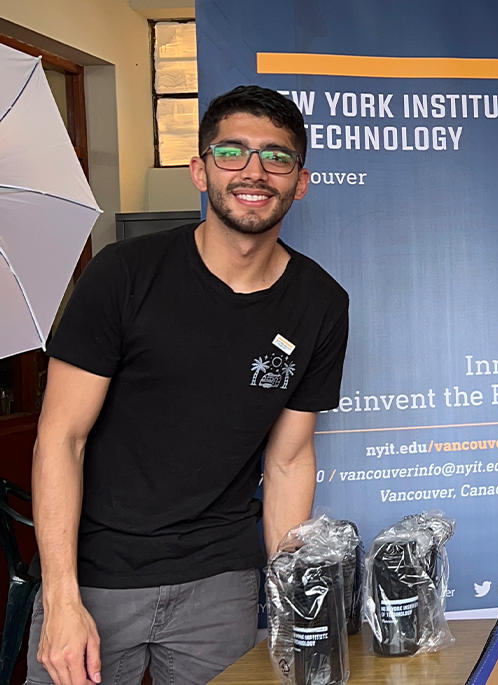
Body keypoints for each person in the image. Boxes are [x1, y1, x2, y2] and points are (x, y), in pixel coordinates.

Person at [27, 85, 350, 685]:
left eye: (277, 157)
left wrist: (289, 600)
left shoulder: (321, 303)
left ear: (300, 181)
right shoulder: (124, 274)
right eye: (232, 152)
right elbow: (60, 439)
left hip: (220, 582)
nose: (254, 172)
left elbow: (289, 460)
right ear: (200, 171)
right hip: (97, 576)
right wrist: (62, 599)